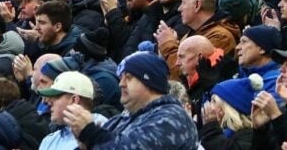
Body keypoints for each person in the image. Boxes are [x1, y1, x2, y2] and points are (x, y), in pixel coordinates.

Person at [61, 52, 199, 150]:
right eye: (121, 78)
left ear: (149, 81)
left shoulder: (172, 118)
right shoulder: (120, 120)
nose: (121, 84)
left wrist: (90, 133)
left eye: (129, 77)